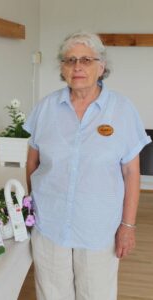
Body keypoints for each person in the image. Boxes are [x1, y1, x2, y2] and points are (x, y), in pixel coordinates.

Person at [23, 31, 152, 300]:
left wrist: (127, 227)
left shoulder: (122, 110)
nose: (77, 66)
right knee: (52, 294)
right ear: (62, 68)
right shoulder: (45, 108)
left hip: (98, 227)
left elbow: (131, 173)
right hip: (49, 223)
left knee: (96, 294)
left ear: (101, 66)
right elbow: (33, 162)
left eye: (86, 59)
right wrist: (32, 207)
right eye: (70, 60)